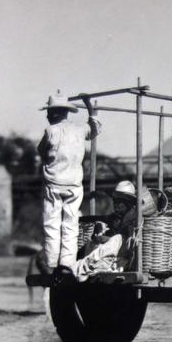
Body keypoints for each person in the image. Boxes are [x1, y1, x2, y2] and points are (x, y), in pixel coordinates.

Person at [37, 91, 101, 278]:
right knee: (71, 223)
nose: (47, 115)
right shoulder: (79, 130)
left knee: (52, 223)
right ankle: (67, 263)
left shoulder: (50, 131)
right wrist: (89, 105)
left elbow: (41, 150)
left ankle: (51, 262)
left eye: (49, 112)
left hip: (54, 184)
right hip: (73, 185)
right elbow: (95, 127)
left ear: (55, 113)